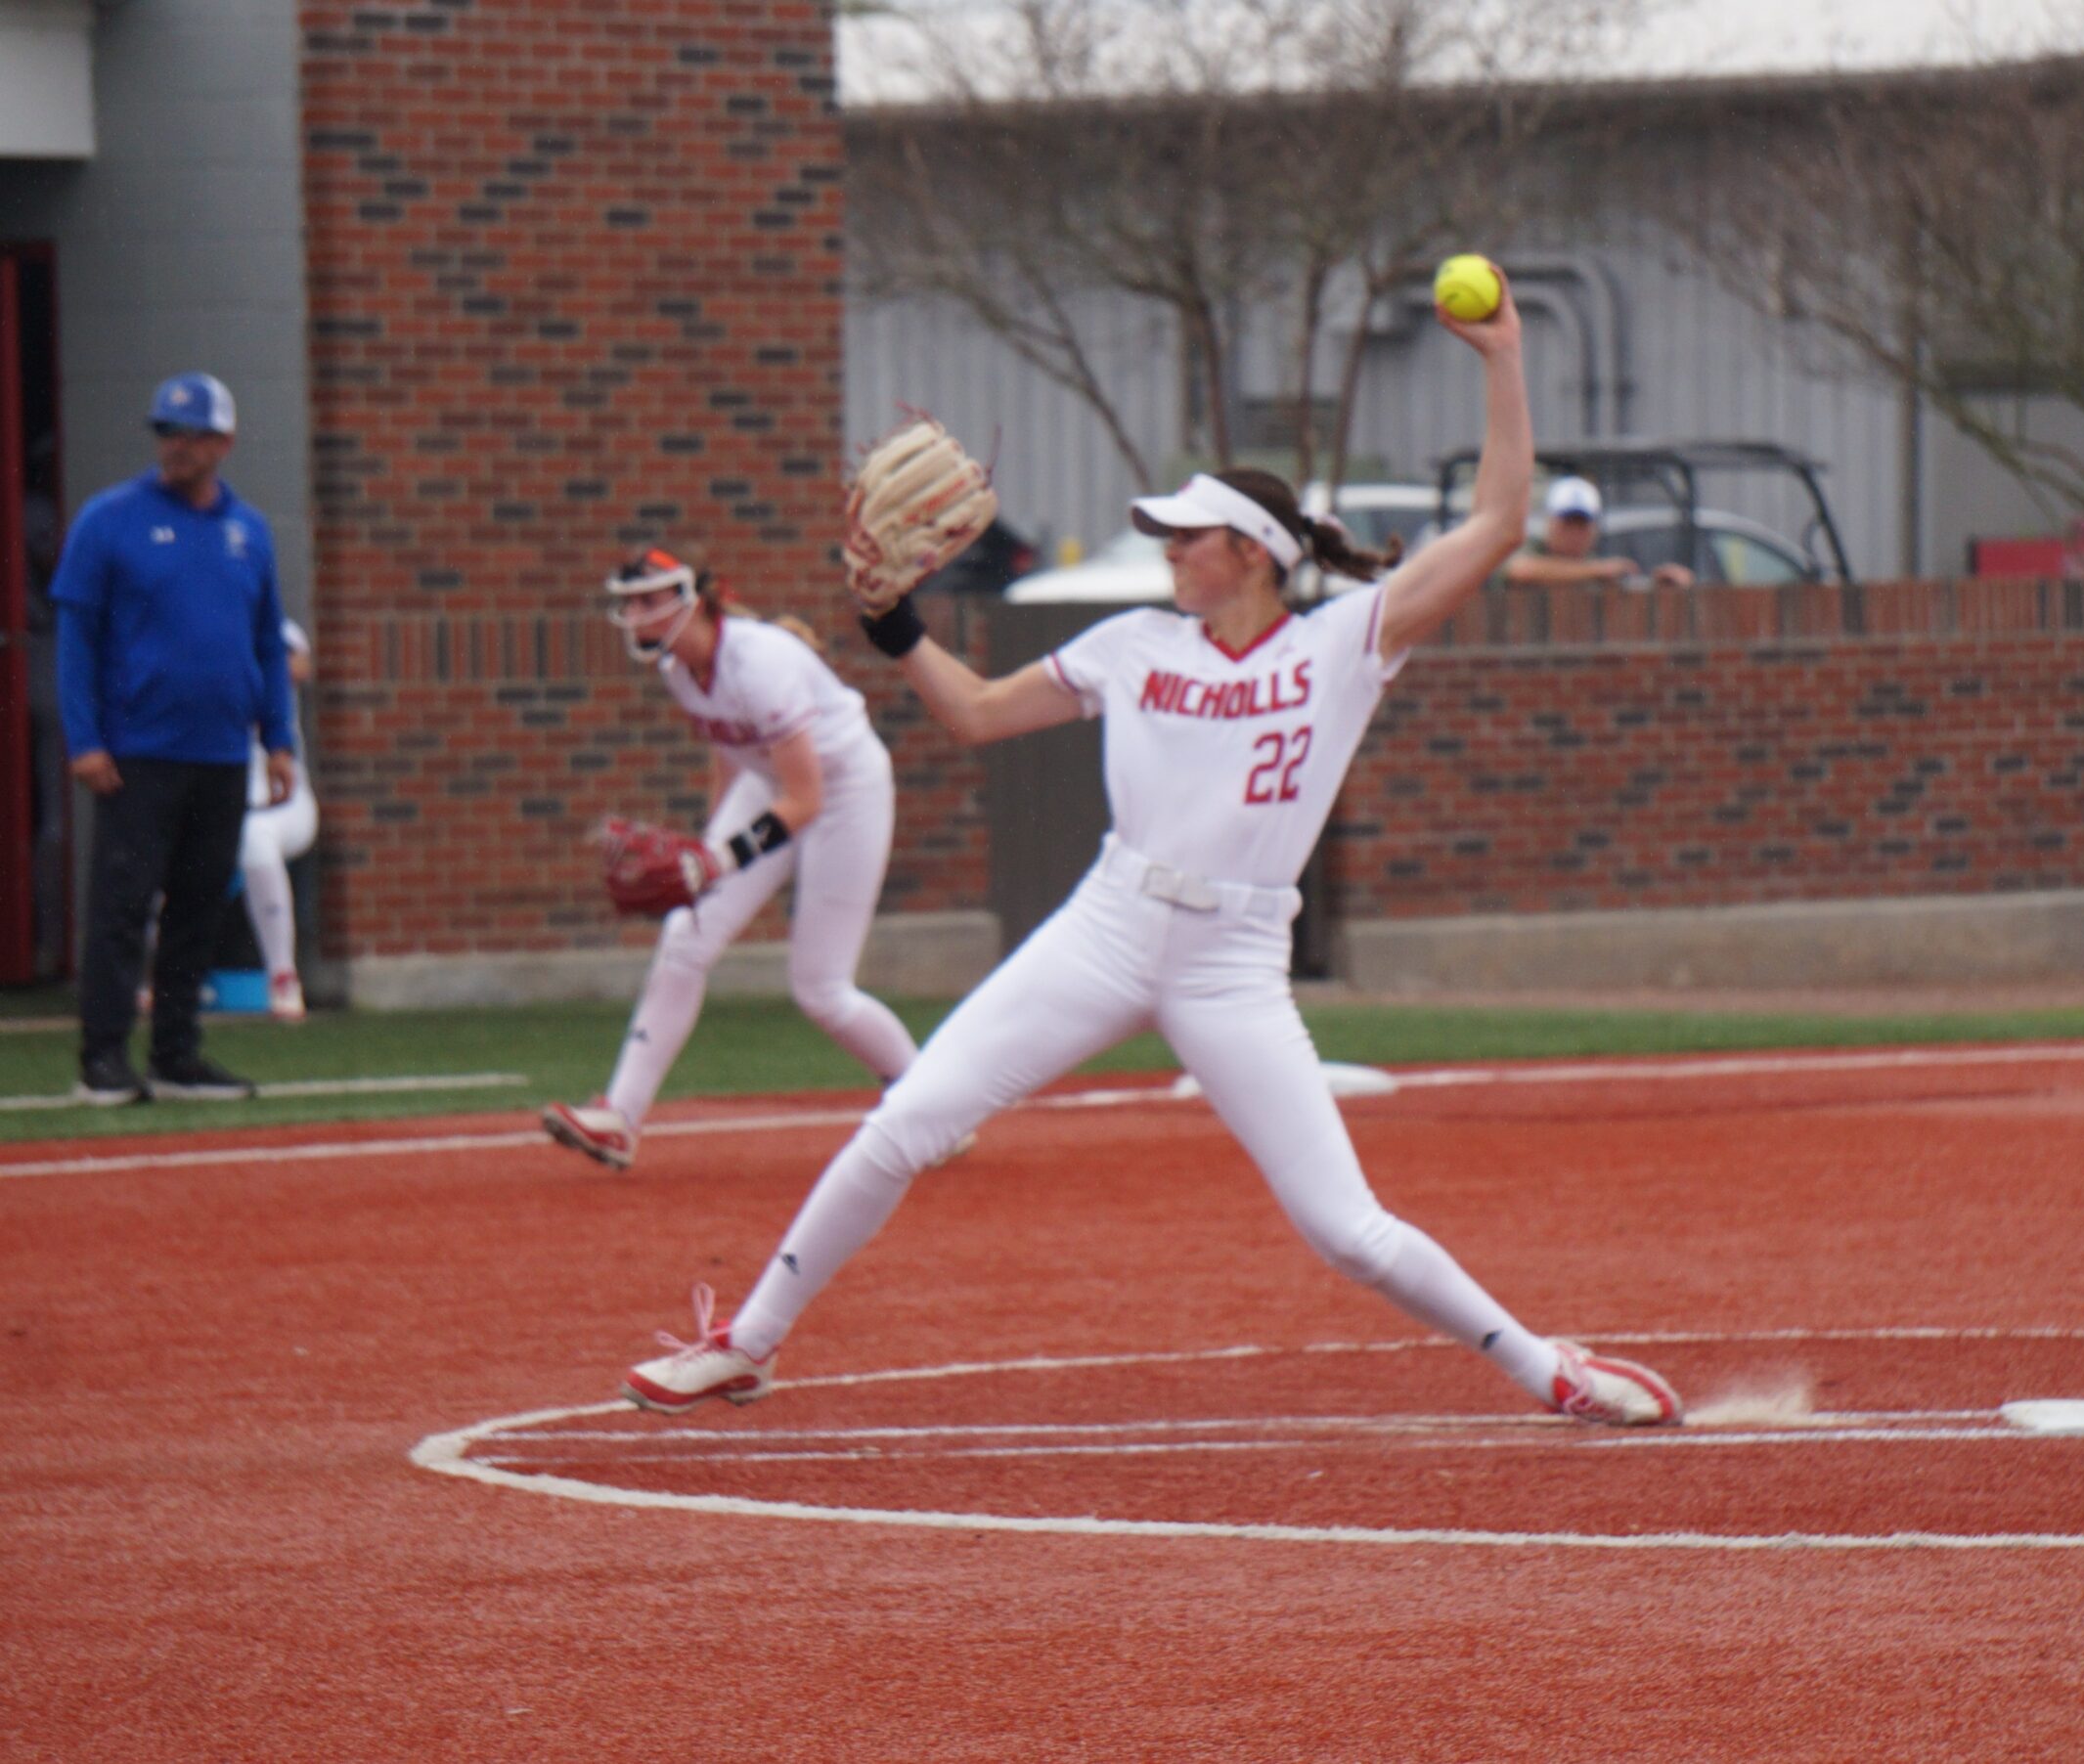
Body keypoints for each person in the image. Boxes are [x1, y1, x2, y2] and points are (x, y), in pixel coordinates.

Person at [622, 277, 1682, 1429]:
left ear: (1253, 551)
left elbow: (1494, 525)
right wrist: (895, 629)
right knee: (904, 1123)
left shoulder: (1343, 645)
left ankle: (1549, 1369)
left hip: (1232, 958)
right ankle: (747, 1342)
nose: (1169, 548)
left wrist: (1502, 359)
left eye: (1189, 534)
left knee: (1344, 1228)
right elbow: (974, 713)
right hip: (1107, 924)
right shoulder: (1132, 642)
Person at [541, 549, 929, 1169]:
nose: (635, 616)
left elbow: (806, 798)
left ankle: (929, 1103)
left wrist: (718, 860)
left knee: (821, 988)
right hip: (770, 784)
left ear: (691, 600)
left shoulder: (761, 663)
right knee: (685, 937)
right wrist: (705, 846)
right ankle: (620, 1118)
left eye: (649, 601)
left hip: (844, 790)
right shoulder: (677, 667)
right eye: (630, 603)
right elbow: (730, 754)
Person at [52, 373, 293, 1104]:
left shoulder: (247, 531)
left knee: (197, 908)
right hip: (138, 754)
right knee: (124, 908)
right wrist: (86, 738)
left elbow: (266, 642)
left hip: (222, 752)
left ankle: (177, 1054)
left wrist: (278, 740)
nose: (176, 448)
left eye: (190, 435)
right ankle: (102, 1055)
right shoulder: (109, 519)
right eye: (166, 433)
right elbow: (76, 638)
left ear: (223, 442)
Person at [240, 620, 319, 1022]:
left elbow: (297, 667)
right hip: (214, 798)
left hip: (281, 800)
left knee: (256, 838)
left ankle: (282, 975)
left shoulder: (276, 630)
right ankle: (156, 978)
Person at [1499, 475, 1694, 591]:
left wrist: (1658, 585)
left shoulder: (1598, 568)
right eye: (1568, 524)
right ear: (1550, 524)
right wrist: (1597, 571)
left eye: (1582, 524)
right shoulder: (1533, 552)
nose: (1575, 534)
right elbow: (1520, 571)